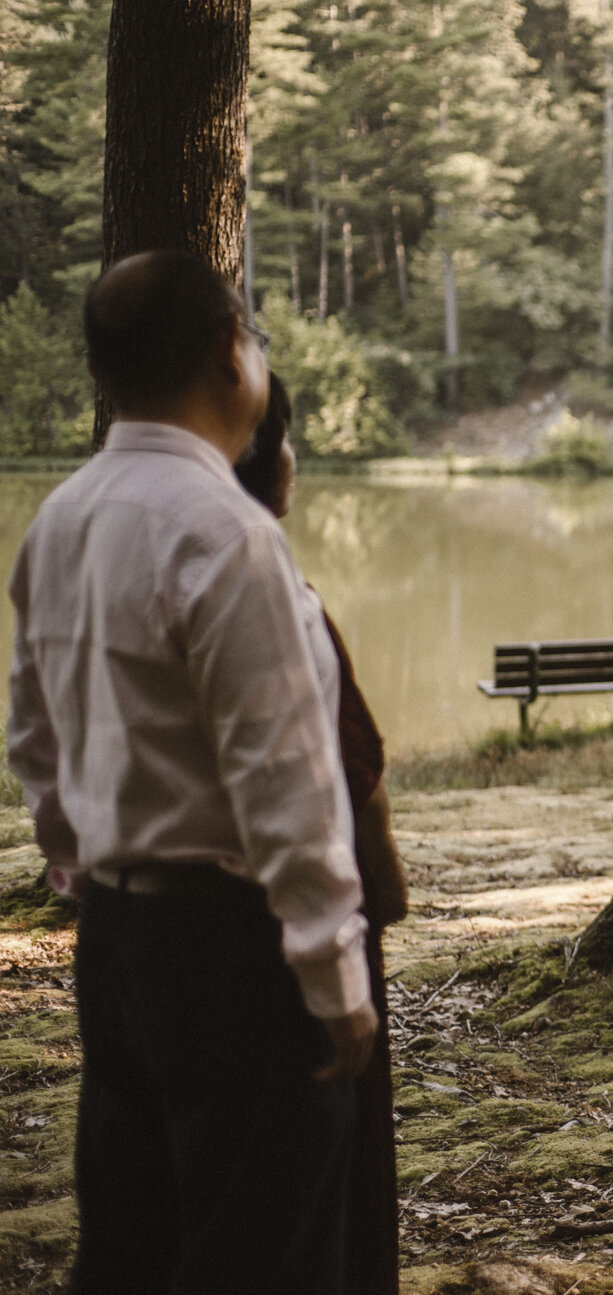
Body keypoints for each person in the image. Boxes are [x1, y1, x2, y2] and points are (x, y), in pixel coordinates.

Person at [7, 251, 374, 1294]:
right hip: (233, 950)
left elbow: (33, 741)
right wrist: (333, 977)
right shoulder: (227, 536)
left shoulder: (60, 520)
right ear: (229, 353)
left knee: (131, 1241)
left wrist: (85, 869)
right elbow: (285, 787)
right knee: (264, 1246)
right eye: (251, 336)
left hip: (120, 943)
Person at [235, 376, 410, 1295]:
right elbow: (338, 778)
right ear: (278, 464)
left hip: (140, 922)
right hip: (281, 929)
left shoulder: (81, 535)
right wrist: (371, 908)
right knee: (324, 1182)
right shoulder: (272, 588)